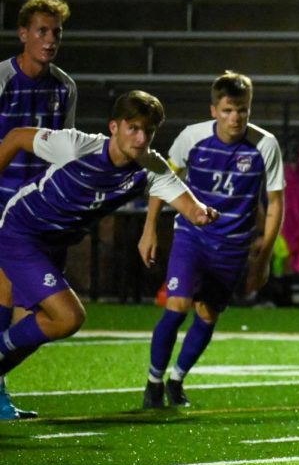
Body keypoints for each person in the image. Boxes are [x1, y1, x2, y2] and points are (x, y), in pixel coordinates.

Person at [0, 91, 218, 414]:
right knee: (68, 317)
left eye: (149, 131)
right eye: (133, 128)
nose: (141, 138)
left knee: (29, 324)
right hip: (21, 232)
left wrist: (204, 213)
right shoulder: (77, 146)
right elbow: (17, 137)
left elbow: (192, 207)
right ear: (113, 127)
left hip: (54, 244)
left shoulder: (150, 167)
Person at [138, 72, 285, 409]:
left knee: (207, 315)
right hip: (193, 235)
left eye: (243, 111)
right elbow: (164, 177)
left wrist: (262, 258)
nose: (236, 118)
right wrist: (149, 228)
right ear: (214, 109)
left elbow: (275, 202)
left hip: (233, 246)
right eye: (229, 110)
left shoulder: (265, 145)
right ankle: (153, 382)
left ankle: (176, 379)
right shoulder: (192, 137)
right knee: (176, 307)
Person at [0, 0, 77, 420]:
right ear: (23, 34)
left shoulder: (64, 87)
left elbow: (63, 150)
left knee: (39, 313)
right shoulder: (3, 80)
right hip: (2, 206)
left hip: (39, 209)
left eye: (56, 33)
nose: (50, 40)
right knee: (7, 292)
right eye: (42, 31)